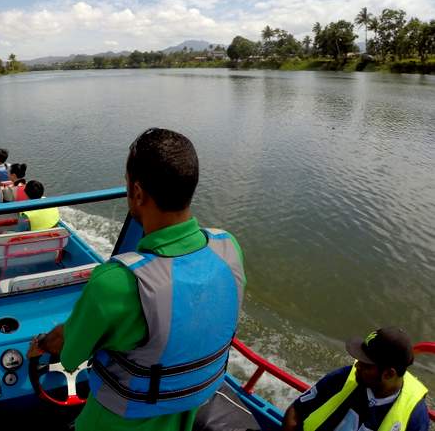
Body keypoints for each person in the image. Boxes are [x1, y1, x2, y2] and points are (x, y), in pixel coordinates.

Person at [28, 128, 246, 431]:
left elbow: (69, 354)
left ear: (139, 193)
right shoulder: (228, 247)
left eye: (128, 184)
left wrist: (41, 343)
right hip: (191, 412)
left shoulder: (116, 283)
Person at [282, 327, 429, 431]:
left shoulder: (415, 417)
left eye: (367, 365)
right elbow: (296, 410)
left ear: (389, 374)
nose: (357, 365)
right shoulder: (346, 376)